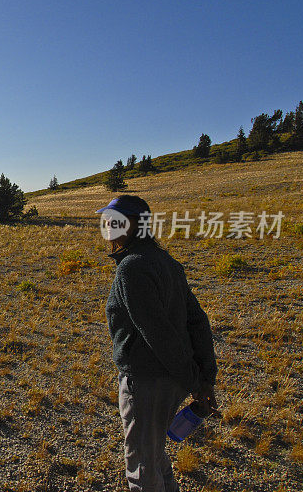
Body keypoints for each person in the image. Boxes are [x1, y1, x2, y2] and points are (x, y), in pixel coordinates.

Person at [96, 195, 218, 492]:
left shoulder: (132, 268)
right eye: (107, 220)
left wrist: (197, 381)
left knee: (142, 464)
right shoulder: (166, 262)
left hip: (148, 381)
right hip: (171, 379)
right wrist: (203, 379)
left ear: (138, 225)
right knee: (153, 451)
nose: (109, 226)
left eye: (118, 221)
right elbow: (197, 321)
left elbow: (158, 334)